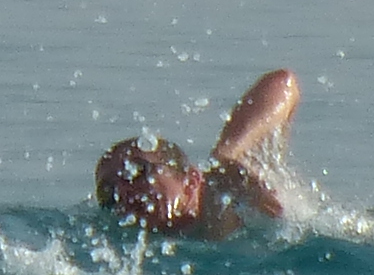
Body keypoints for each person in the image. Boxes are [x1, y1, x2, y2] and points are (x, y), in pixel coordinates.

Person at [92, 68, 298, 240]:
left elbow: (283, 83)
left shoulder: (224, 195)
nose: (122, 192)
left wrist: (225, 155)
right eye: (108, 191)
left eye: (137, 172)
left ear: (191, 181)